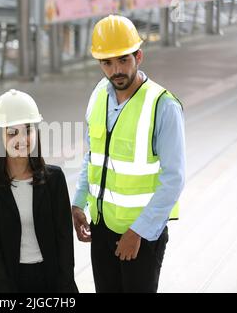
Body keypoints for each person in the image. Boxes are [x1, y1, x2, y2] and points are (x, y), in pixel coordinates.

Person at [72, 15, 186, 293]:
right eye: (107, 63)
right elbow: (93, 155)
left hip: (141, 234)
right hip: (101, 226)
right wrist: (79, 201)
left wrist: (138, 233)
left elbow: (174, 179)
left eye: (123, 60)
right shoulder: (99, 94)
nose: (116, 70)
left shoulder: (163, 105)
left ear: (139, 56)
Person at [0, 89, 78, 293]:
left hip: (52, 281)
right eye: (12, 132)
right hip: (9, 284)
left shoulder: (54, 179)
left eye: (28, 130)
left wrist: (64, 285)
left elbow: (65, 241)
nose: (22, 139)